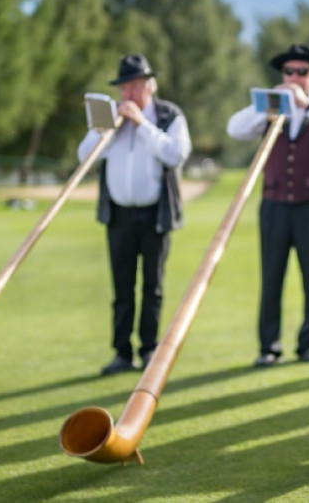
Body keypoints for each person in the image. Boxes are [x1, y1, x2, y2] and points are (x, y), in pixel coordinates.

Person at [227, 43, 309, 365]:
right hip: (275, 203)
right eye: (289, 72)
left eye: (302, 72)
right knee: (271, 276)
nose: (294, 78)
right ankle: (268, 346)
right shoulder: (270, 107)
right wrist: (267, 104)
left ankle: (307, 344)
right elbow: (235, 129)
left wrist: (308, 105)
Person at [77, 54, 192, 376]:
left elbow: (175, 154)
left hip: (155, 214)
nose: (128, 95)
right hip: (120, 215)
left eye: (134, 87)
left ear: (149, 86)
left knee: (152, 286)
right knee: (122, 287)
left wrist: (142, 124)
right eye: (124, 88)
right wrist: (106, 129)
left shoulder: (169, 115)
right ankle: (122, 352)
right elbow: (84, 156)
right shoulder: (109, 119)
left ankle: (149, 349)